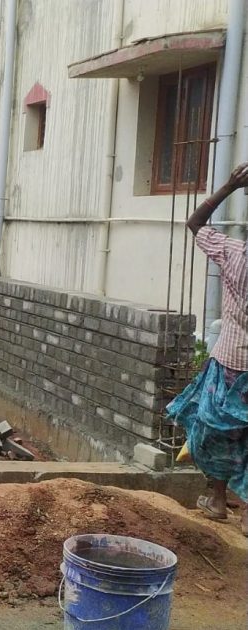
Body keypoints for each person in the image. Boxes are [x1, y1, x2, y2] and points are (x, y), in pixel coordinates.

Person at [167, 162, 248, 536]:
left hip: (231, 360)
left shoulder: (235, 254)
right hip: (233, 360)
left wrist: (229, 187)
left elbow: (195, 223)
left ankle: (217, 500)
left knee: (216, 432)